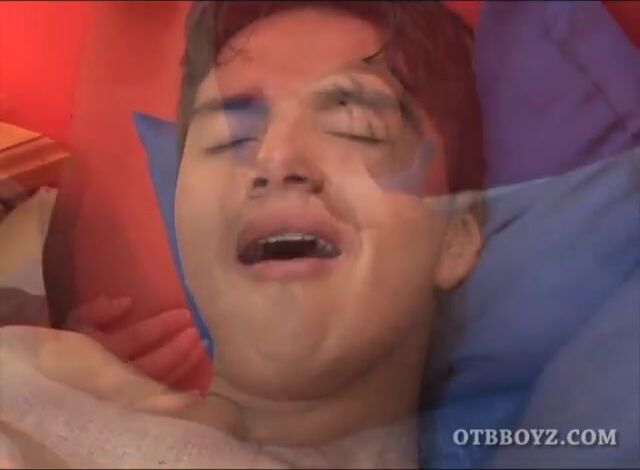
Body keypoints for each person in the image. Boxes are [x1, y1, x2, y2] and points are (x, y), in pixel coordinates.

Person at [0, 2, 484, 467]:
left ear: (455, 240)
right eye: (231, 138)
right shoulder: (38, 368)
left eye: (353, 127)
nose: (274, 158)